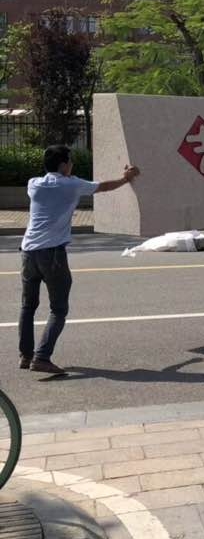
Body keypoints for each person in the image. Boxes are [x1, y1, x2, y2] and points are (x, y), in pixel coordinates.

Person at [19, 145, 140, 378]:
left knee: (28, 306)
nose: (72, 164)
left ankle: (25, 355)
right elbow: (103, 187)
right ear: (63, 165)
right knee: (58, 309)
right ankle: (42, 358)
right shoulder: (71, 185)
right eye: (70, 161)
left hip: (27, 252)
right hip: (52, 255)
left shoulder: (33, 184)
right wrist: (126, 178)